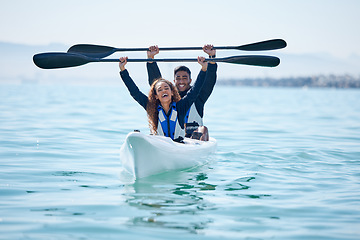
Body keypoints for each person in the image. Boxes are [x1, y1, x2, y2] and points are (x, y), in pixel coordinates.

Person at [119, 56, 217, 142]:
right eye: (160, 90)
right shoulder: (152, 107)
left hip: (180, 144)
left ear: (172, 92)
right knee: (135, 135)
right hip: (161, 144)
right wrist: (123, 70)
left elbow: (196, 89)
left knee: (203, 129)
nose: (164, 91)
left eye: (166, 88)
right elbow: (135, 92)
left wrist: (204, 69)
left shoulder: (181, 106)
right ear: (156, 95)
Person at [146, 45, 217, 141]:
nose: (181, 81)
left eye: (184, 78)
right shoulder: (166, 97)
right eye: (178, 78)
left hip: (194, 141)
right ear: (173, 81)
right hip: (171, 141)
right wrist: (151, 60)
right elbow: (156, 84)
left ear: (190, 80)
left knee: (203, 129)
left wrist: (212, 58)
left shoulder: (198, 97)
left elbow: (209, 81)